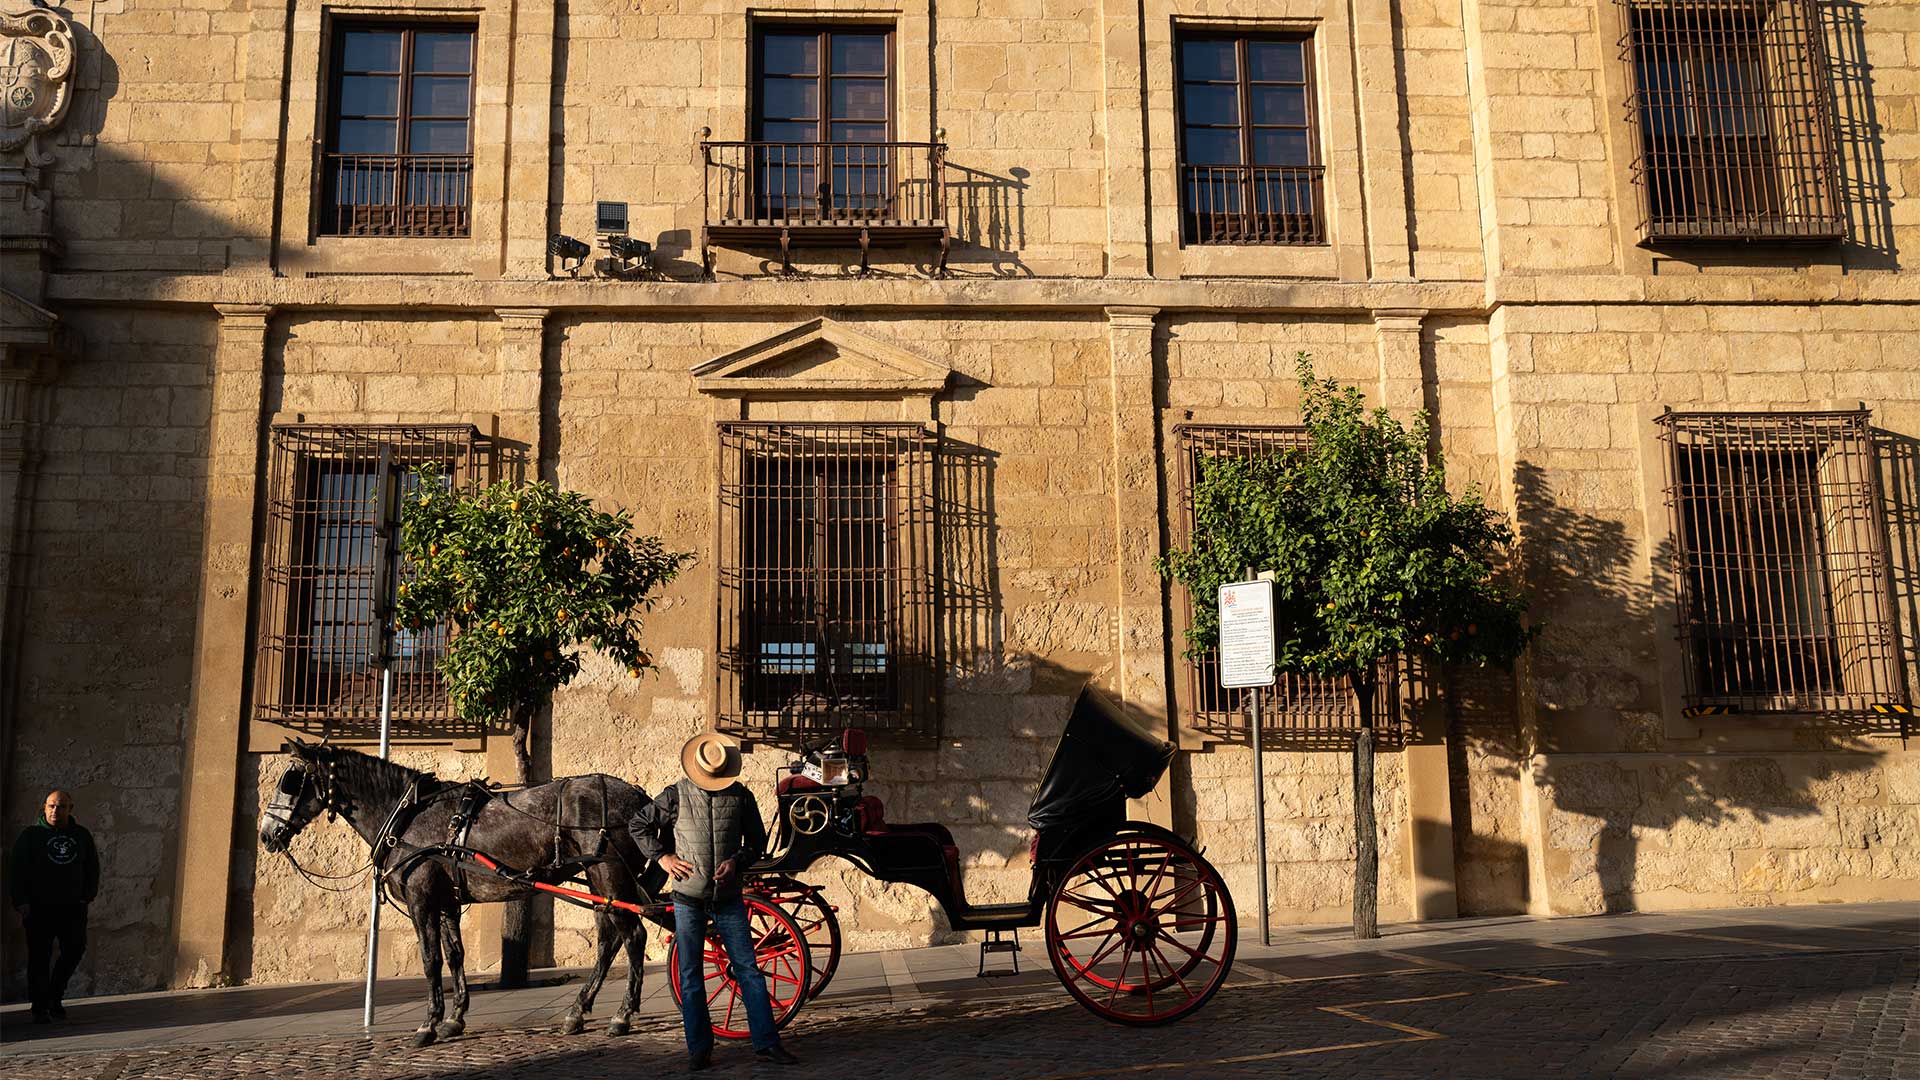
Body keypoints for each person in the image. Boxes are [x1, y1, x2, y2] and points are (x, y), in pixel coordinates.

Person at [629, 732, 798, 1072]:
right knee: (691, 975)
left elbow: (757, 843)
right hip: (688, 899)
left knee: (748, 971)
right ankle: (699, 1049)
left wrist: (736, 861)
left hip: (729, 899)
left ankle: (767, 1043)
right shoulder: (675, 795)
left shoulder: (741, 796)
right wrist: (663, 858)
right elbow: (638, 824)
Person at [10, 790, 99, 1024]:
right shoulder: (31, 836)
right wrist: (21, 902)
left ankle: (54, 995)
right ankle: (40, 1006)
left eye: (60, 807)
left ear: (70, 809)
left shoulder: (81, 835)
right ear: (44, 807)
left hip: (72, 907)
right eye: (51, 806)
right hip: (39, 908)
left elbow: (92, 867)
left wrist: (87, 896)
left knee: (75, 949)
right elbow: (17, 870)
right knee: (39, 957)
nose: (55, 811)